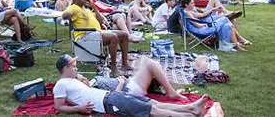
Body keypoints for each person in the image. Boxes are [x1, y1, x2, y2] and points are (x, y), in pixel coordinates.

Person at [53, 54, 208, 117]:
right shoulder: (61, 85)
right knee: (151, 110)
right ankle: (188, 115)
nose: (76, 68)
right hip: (108, 102)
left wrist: (80, 78)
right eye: (73, 66)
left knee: (153, 102)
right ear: (65, 68)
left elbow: (77, 81)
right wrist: (78, 109)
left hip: (112, 96)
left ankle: (190, 108)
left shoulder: (72, 80)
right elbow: (59, 106)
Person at [62, 0, 133, 76]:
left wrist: (93, 7)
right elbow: (64, 15)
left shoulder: (86, 9)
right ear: (77, 0)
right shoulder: (74, 8)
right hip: (85, 35)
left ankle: (125, 64)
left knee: (124, 34)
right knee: (113, 37)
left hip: (96, 33)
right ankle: (114, 69)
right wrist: (69, 15)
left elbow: (101, 20)